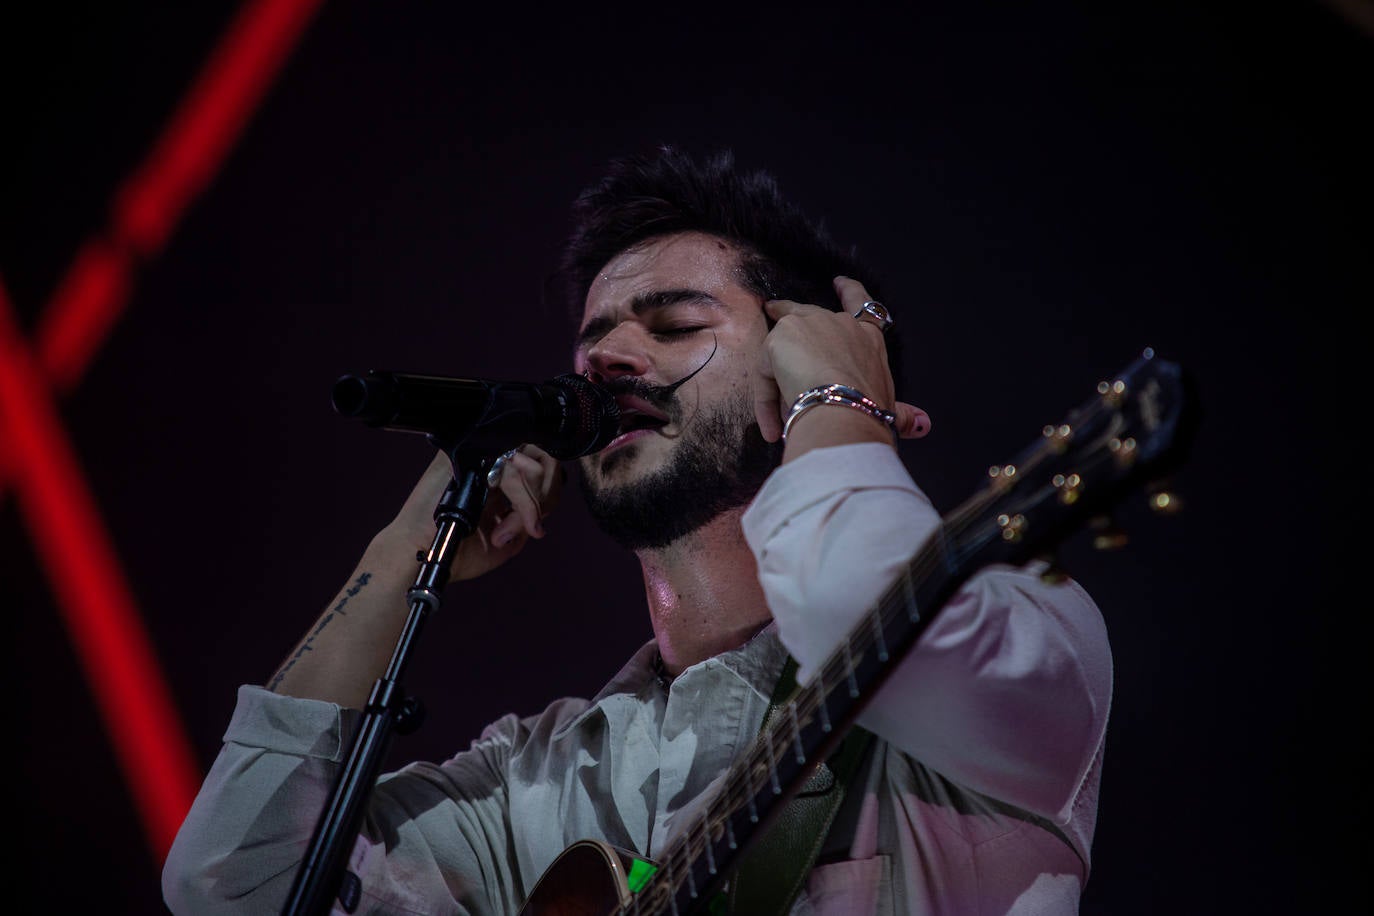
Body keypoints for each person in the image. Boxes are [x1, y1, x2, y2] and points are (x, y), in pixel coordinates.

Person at [162, 147, 1112, 915]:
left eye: (672, 324)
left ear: (810, 369)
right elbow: (232, 882)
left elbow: (854, 597)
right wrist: (403, 550)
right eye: (597, 337)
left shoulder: (1017, 623)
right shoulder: (540, 781)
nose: (606, 356)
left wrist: (838, 397)